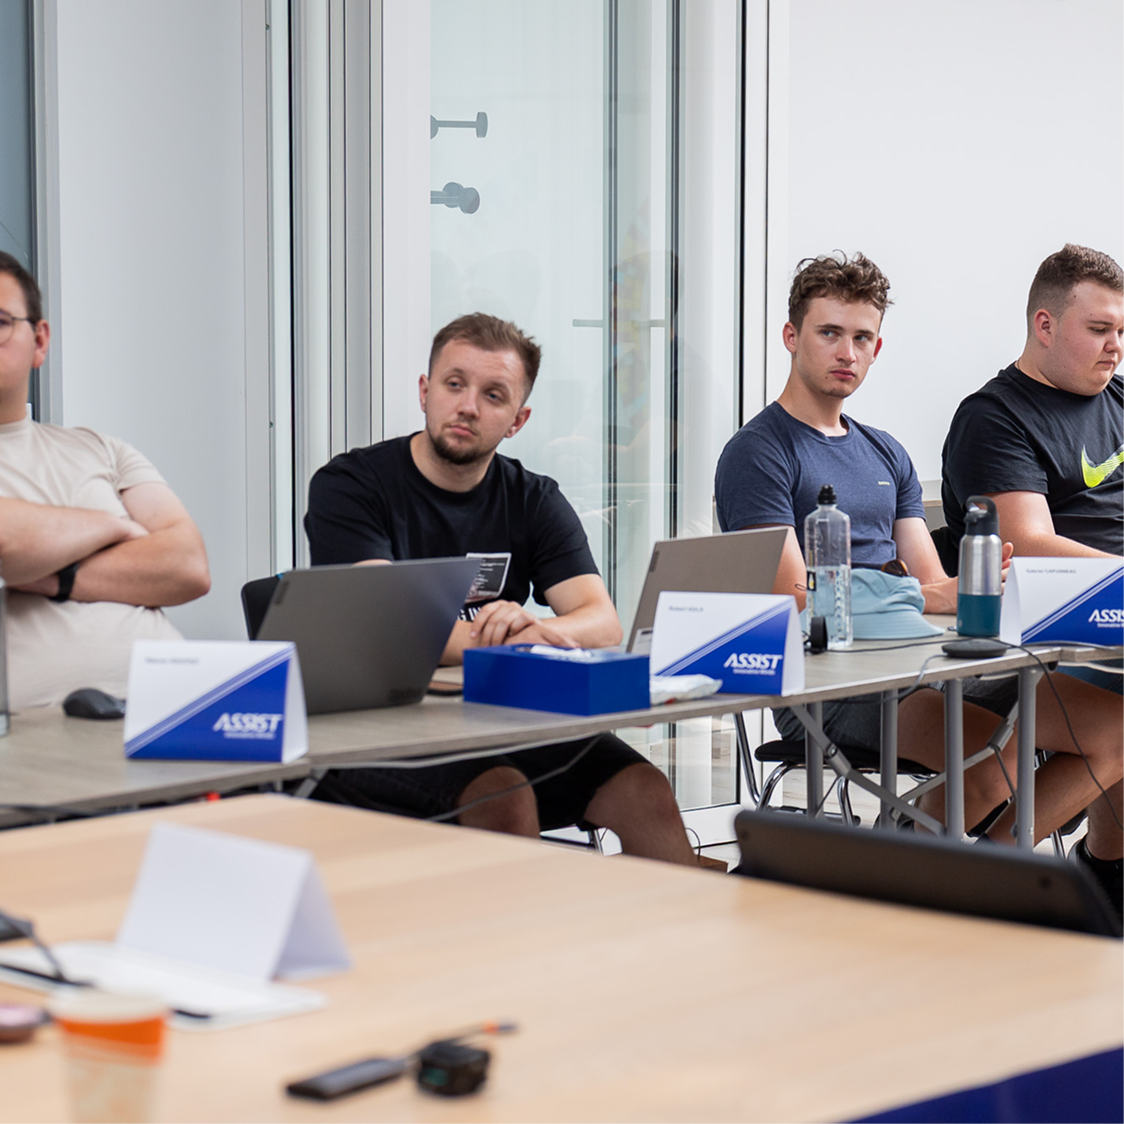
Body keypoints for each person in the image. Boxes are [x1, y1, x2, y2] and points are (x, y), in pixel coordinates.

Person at [714, 252, 1124, 891]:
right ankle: (918, 875)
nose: (848, 351)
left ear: (878, 347)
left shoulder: (886, 451)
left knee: (1113, 729)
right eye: (829, 333)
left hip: (924, 662)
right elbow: (795, 601)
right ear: (792, 338)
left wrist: (956, 595)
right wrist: (922, 594)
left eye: (863, 337)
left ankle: (974, 875)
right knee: (1000, 758)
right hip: (830, 684)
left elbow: (944, 594)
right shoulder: (758, 453)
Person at [304, 312, 695, 865]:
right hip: (383, 732)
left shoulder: (534, 498)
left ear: (518, 419)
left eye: (493, 395)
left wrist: (533, 628)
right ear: (425, 391)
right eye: (454, 384)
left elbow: (601, 621)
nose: (468, 406)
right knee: (504, 798)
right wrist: (511, 640)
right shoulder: (351, 486)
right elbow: (389, 629)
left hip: (501, 718)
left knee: (647, 793)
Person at [942, 241, 1124, 896]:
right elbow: (1029, 544)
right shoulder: (994, 419)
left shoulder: (1119, 399)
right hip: (1046, 633)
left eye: (1122, 332)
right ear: (1044, 325)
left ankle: (1102, 874)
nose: (1115, 347)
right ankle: (987, 877)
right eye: (1099, 330)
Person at [0, 252, 210, 710]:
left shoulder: (99, 448)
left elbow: (187, 567)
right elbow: (7, 544)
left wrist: (58, 576)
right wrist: (111, 527)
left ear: (39, 341)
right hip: (39, 738)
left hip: (177, 711)